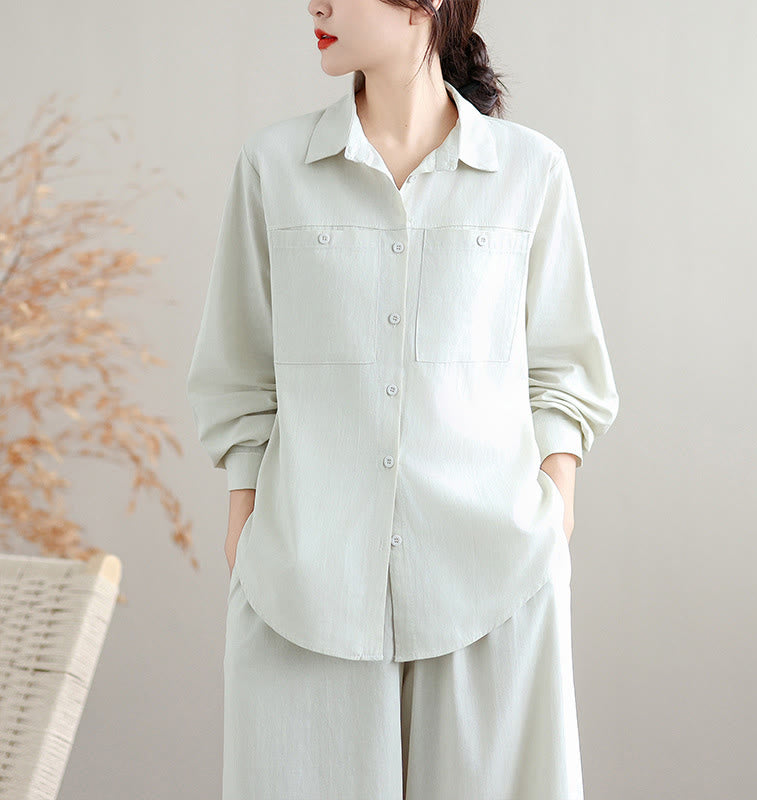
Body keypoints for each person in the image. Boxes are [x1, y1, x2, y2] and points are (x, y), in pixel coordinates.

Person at [186, 0, 619, 797]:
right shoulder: (272, 167)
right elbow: (240, 363)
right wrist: (245, 515)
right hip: (304, 580)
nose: (315, 5)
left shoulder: (530, 172)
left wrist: (554, 510)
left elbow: (563, 365)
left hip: (496, 577)